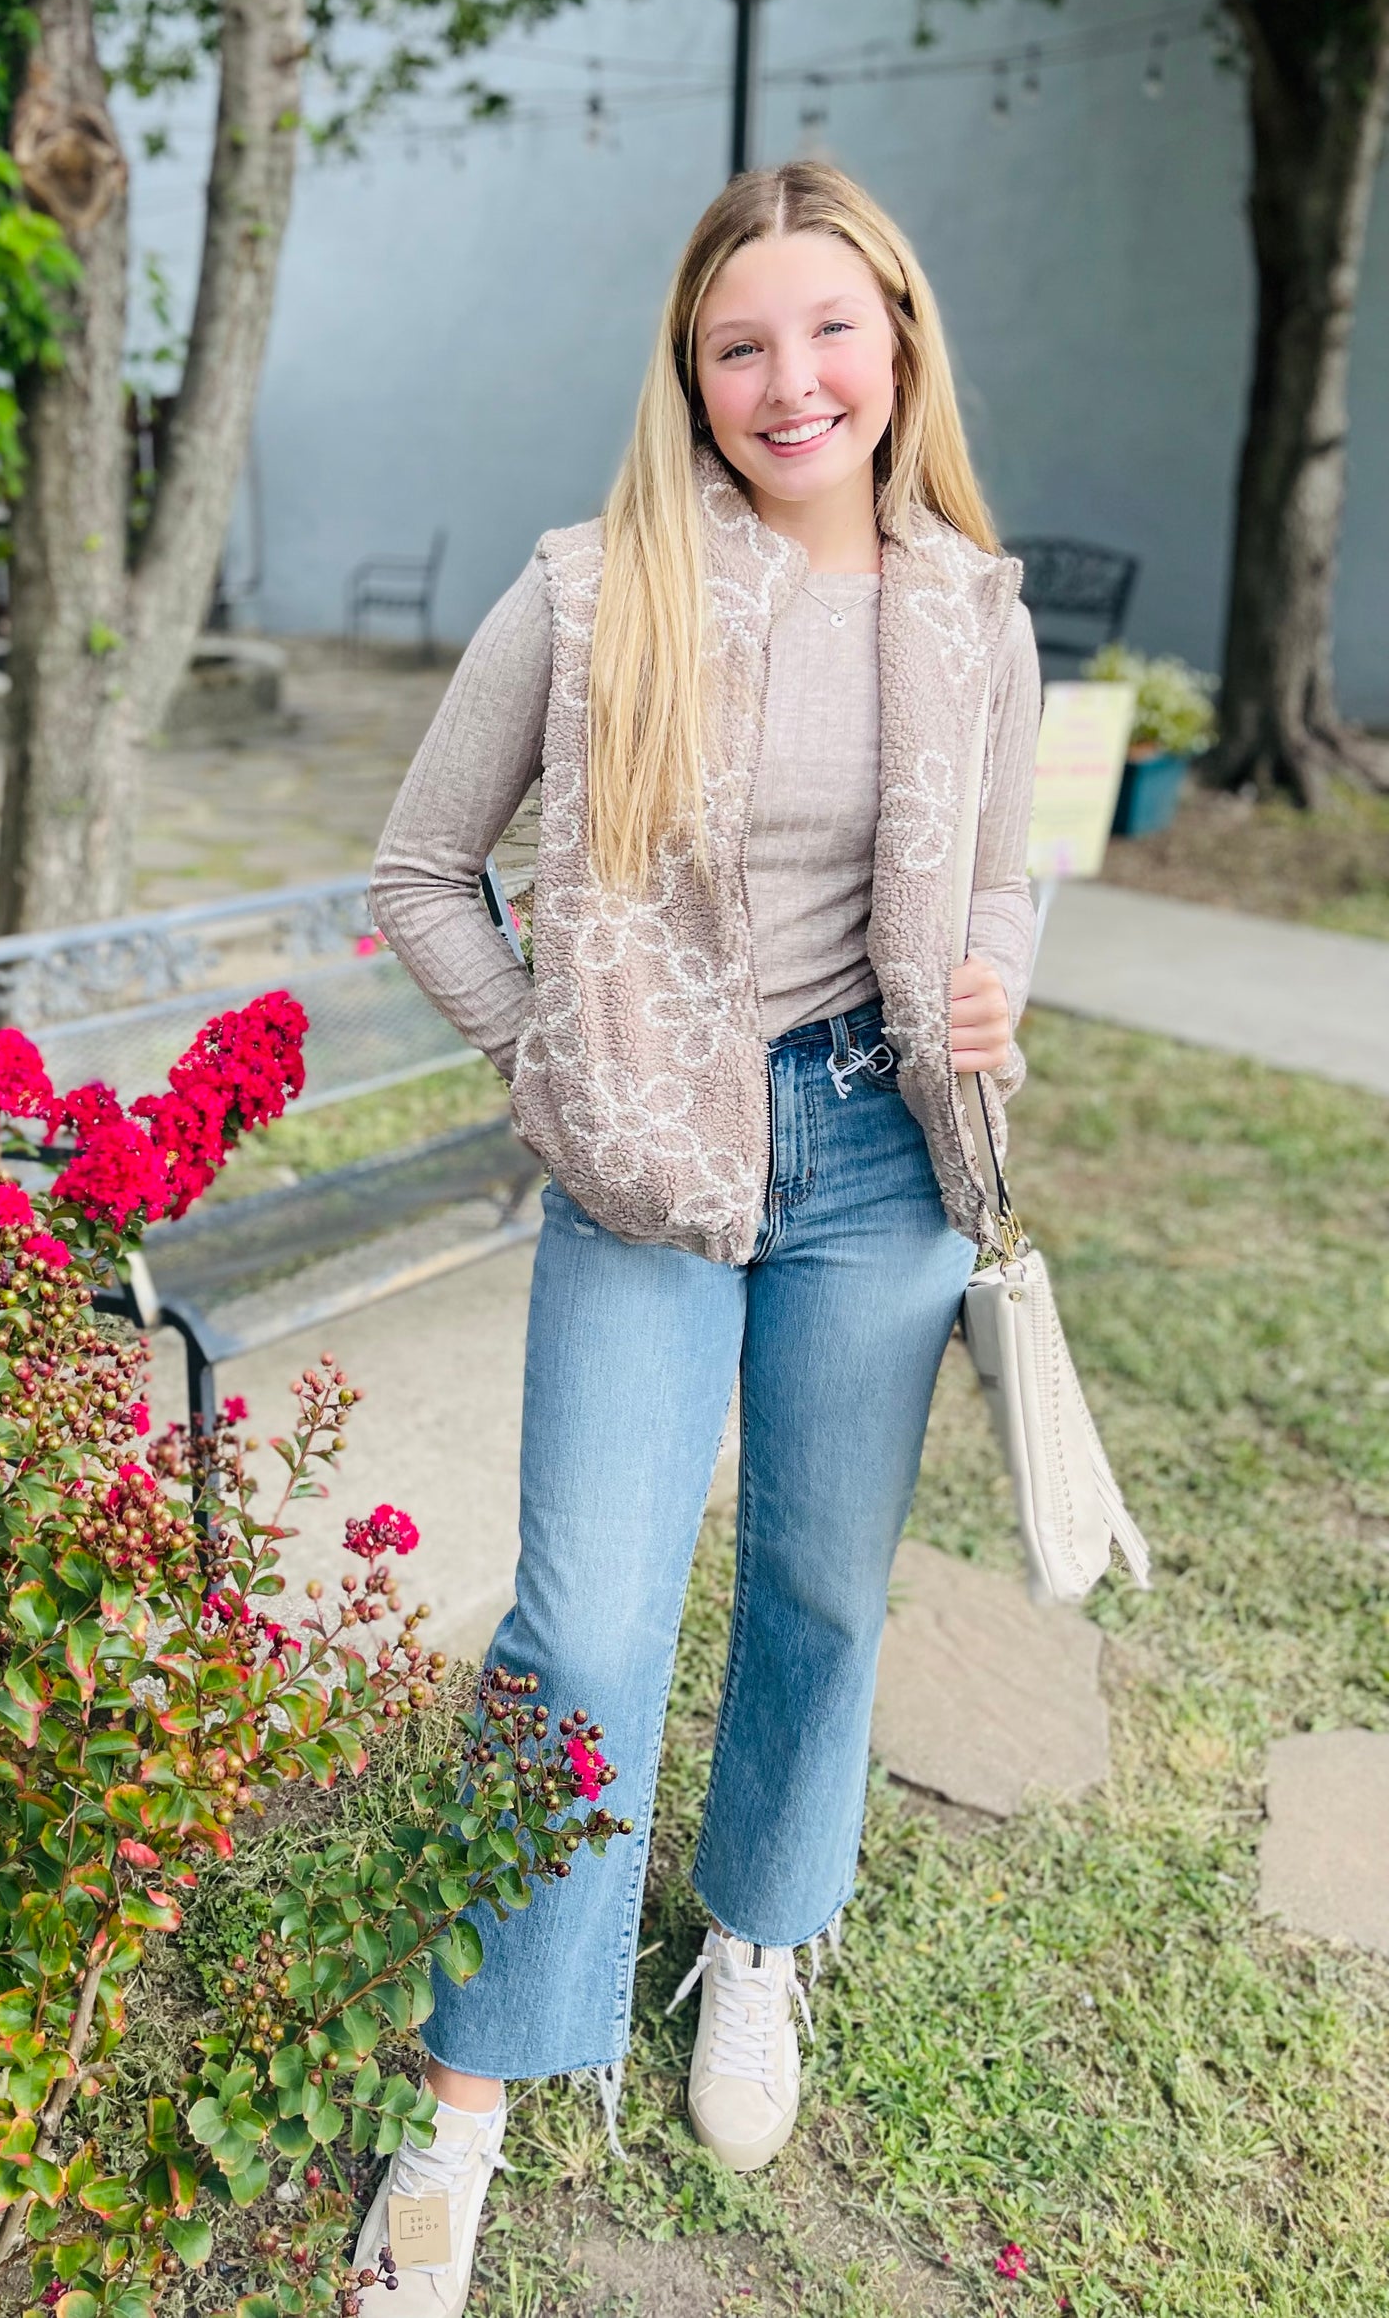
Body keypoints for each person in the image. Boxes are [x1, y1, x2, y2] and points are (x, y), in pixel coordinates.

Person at [351, 162, 1039, 2315]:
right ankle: (466, 2095)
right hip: (649, 1165)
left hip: (879, 1167)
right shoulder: (589, 590)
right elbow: (416, 867)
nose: (786, 377)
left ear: (897, 343)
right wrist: (553, 1061)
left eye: (826, 329)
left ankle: (754, 1928)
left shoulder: (972, 609)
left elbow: (1001, 874)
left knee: (824, 1592)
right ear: (690, 372)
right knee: (581, 1628)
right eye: (738, 341)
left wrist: (995, 970)